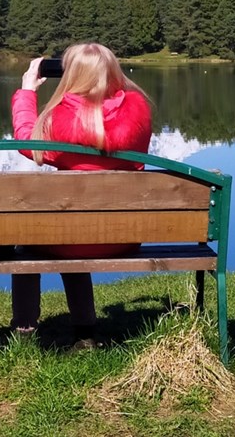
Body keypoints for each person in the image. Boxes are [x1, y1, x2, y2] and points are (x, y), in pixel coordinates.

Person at [11, 43, 152, 348]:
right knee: (76, 231)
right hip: (124, 236)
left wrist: (27, 91)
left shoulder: (60, 119)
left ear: (71, 74)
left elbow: (26, 142)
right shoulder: (138, 113)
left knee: (36, 243)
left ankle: (23, 333)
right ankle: (85, 333)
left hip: (72, 237)